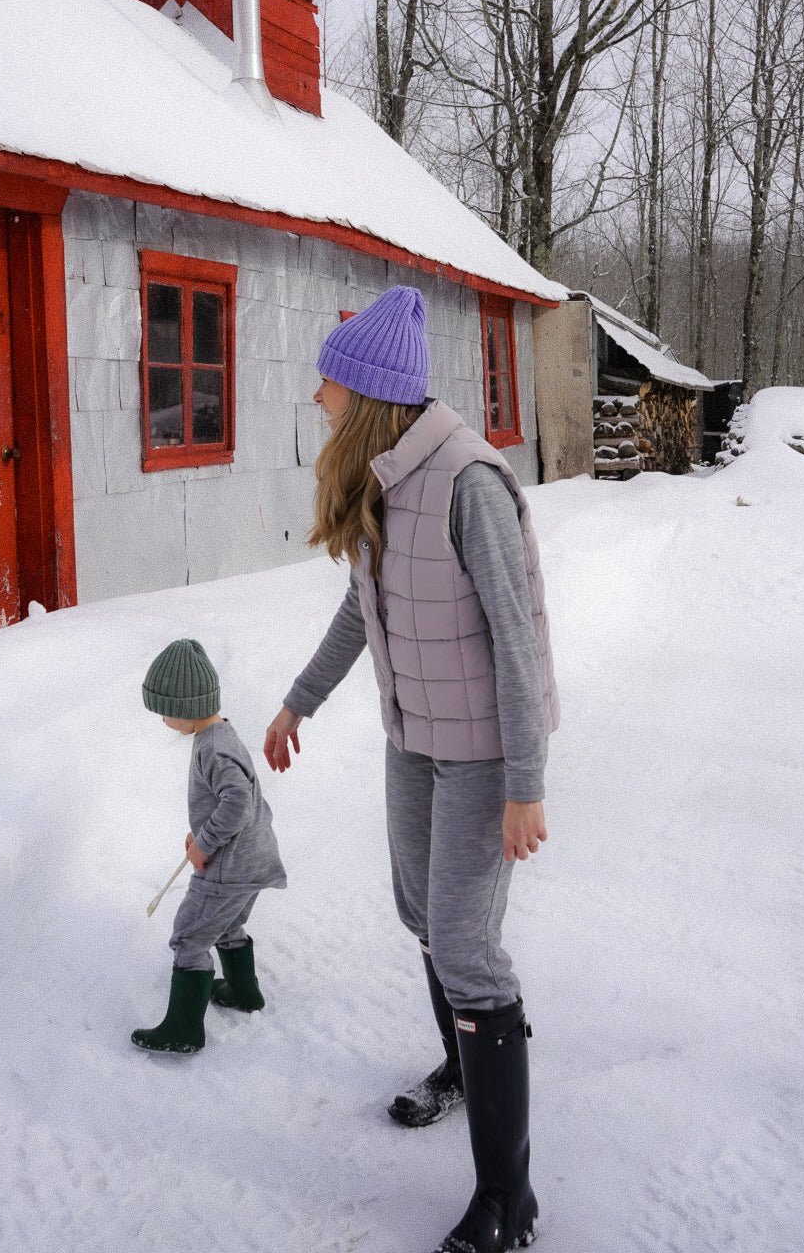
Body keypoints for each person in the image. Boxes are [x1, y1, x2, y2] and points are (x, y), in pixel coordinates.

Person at [265, 285, 559, 1253]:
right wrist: (297, 699)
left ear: (369, 394)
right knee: (424, 917)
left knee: (470, 952)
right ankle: (460, 1062)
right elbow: (362, 609)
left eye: (329, 383)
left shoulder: (470, 483)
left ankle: (505, 1200)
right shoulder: (384, 478)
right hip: (413, 740)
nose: (318, 399)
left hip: (482, 753)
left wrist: (525, 781)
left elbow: (516, 645)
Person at [132, 637, 286, 1055]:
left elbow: (236, 802)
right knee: (228, 925)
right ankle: (243, 993)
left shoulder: (213, 749)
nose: (163, 719)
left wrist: (205, 843)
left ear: (185, 707)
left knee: (189, 937)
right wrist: (202, 834)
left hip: (228, 868)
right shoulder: (223, 735)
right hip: (253, 860)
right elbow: (232, 802)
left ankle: (183, 1030)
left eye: (165, 710)